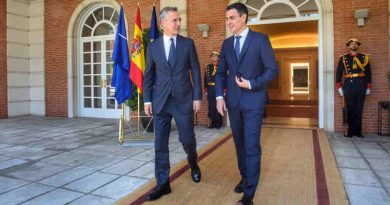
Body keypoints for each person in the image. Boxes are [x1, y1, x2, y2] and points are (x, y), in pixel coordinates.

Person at [215, 3, 278, 205]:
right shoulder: (226, 44)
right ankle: (245, 177)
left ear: (243, 17)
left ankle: (249, 194)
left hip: (254, 102)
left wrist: (252, 83)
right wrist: (219, 97)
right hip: (233, 103)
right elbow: (220, 73)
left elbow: (272, 70)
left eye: (232, 18)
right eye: (227, 19)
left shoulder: (260, 40)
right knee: (239, 145)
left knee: (251, 146)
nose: (229, 22)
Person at [143, 6, 202, 201]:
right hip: (161, 102)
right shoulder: (153, 46)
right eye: (174, 20)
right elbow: (149, 74)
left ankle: (193, 164)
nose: (178, 23)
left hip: (183, 101)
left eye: (179, 20)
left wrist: (197, 97)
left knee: (187, 139)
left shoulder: (188, 44)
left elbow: (195, 70)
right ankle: (163, 184)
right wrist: (147, 100)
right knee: (160, 145)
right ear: (163, 24)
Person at [336, 38, 372, 138]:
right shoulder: (343, 58)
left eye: (355, 44)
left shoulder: (364, 57)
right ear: (348, 46)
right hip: (349, 85)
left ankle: (358, 131)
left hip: (361, 84)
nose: (353, 45)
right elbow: (338, 73)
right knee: (350, 108)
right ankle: (350, 131)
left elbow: (368, 73)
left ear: (358, 45)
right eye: (351, 44)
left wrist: (368, 87)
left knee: (359, 108)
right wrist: (339, 87)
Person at [204, 51, 223, 129]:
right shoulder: (208, 67)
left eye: (215, 56)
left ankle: (219, 123)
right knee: (211, 106)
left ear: (218, 58)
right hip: (210, 89)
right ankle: (213, 123)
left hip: (219, 88)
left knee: (219, 106)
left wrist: (224, 90)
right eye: (212, 56)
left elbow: (225, 78)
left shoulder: (222, 66)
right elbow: (205, 79)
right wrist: (206, 89)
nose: (213, 58)